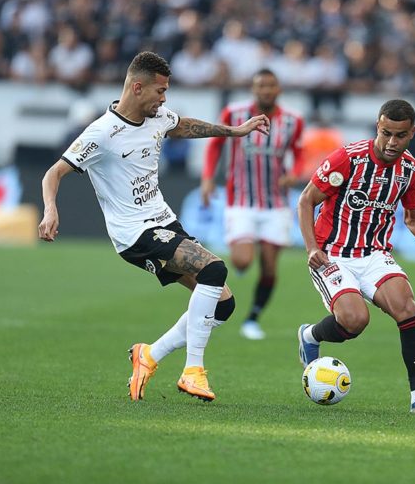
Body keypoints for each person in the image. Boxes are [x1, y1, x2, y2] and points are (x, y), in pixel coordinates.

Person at [38, 51, 269, 402]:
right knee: (214, 268)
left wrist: (235, 132)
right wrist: (50, 209)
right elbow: (54, 172)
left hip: (164, 221)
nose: (164, 99)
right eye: (160, 91)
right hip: (135, 235)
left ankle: (150, 355)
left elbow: (183, 125)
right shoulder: (102, 133)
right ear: (137, 86)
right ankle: (194, 371)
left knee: (222, 305)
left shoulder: (157, 116)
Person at [296, 99, 415, 415]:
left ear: (412, 133)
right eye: (386, 133)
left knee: (408, 309)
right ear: (377, 127)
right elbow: (306, 201)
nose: (392, 142)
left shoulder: (411, 170)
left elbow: (413, 219)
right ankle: (310, 334)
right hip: (333, 255)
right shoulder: (347, 159)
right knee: (355, 321)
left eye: (400, 135)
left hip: (374, 254)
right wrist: (313, 248)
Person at [201, 69, 304, 340]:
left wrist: (295, 173)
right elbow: (215, 146)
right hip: (241, 200)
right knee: (243, 261)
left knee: (270, 266)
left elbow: (300, 151)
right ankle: (244, 256)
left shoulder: (293, 121)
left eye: (271, 86)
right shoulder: (233, 114)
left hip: (275, 203)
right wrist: (208, 179)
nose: (266, 91)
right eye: (261, 86)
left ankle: (253, 318)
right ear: (253, 89)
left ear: (278, 89)